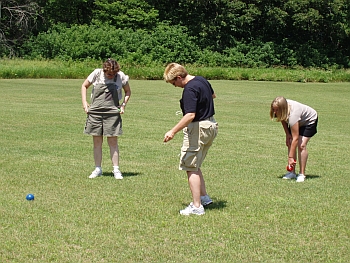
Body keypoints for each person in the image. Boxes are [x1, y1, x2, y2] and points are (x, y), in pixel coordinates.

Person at [163, 63, 218, 216]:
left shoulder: (189, 89)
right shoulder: (202, 80)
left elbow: (190, 115)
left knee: (190, 165)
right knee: (196, 163)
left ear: (179, 77)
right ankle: (204, 198)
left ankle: (197, 206)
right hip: (211, 125)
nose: (175, 86)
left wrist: (172, 131)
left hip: (198, 128)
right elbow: (213, 96)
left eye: (174, 83)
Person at [81, 58, 131, 179]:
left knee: (113, 142)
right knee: (97, 142)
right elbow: (84, 86)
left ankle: (116, 170)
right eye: (109, 74)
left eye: (113, 74)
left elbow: (128, 91)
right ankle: (98, 169)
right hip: (95, 112)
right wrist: (85, 103)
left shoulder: (121, 77)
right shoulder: (97, 74)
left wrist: (123, 105)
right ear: (104, 70)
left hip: (112, 113)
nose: (111, 76)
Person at [270, 96, 318, 182]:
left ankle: (302, 174)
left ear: (283, 109)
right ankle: (292, 172)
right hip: (298, 120)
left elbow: (295, 138)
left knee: (301, 145)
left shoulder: (293, 114)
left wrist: (291, 157)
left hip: (309, 121)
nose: (275, 112)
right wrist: (287, 134)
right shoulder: (281, 107)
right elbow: (282, 118)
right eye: (274, 109)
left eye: (277, 110)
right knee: (290, 142)